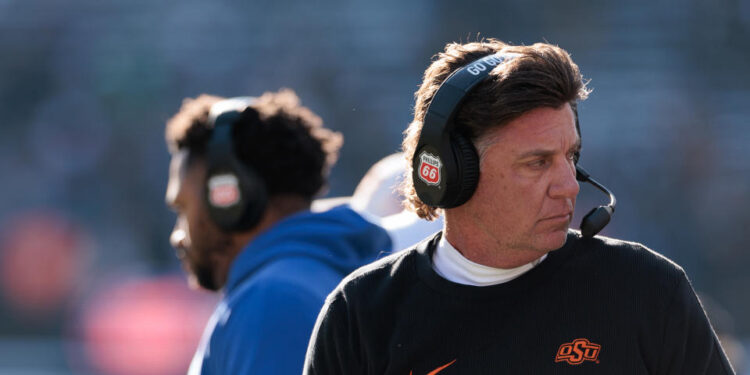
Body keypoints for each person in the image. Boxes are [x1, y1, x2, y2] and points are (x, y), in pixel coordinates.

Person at [304, 40, 735, 374]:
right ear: (452, 169)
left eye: (571, 157)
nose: (568, 186)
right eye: (537, 163)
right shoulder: (359, 313)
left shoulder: (648, 290)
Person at [164, 89, 391, 374]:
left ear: (230, 198)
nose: (178, 235)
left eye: (183, 209)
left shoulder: (272, 303)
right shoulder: (328, 281)